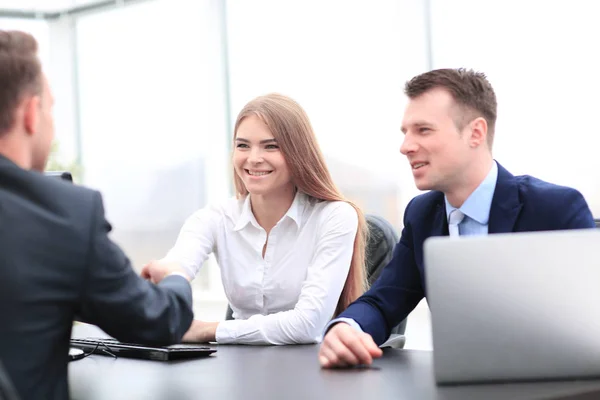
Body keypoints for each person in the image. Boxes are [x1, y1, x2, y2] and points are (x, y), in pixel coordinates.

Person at [318, 68, 596, 368]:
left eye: (423, 130)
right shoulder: (422, 215)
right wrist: (346, 328)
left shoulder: (554, 209)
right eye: (405, 132)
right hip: (459, 384)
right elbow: (383, 302)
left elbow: (588, 321)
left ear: (475, 133)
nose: (406, 146)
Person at [0, 30, 194, 400]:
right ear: (29, 114)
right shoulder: (61, 216)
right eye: (50, 108)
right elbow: (157, 322)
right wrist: (178, 280)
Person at [143, 93, 367, 345]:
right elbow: (178, 263)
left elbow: (308, 324)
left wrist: (208, 330)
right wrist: (166, 276)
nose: (253, 158)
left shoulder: (334, 217)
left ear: (298, 152)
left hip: (314, 369)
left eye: (270, 146)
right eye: (243, 145)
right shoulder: (215, 217)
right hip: (239, 367)